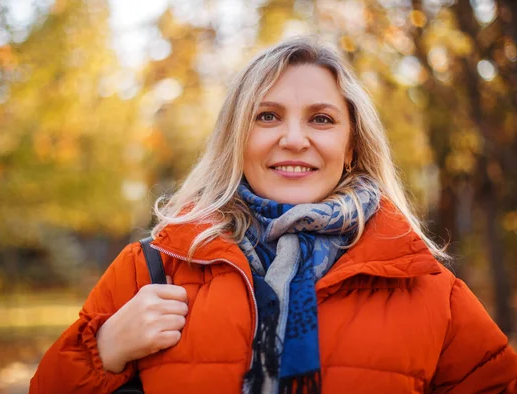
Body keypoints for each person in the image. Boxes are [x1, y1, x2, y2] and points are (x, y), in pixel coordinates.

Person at [29, 36, 517, 394]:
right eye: (268, 116)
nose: (294, 139)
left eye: (321, 119)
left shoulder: (426, 287)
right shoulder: (153, 267)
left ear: (351, 146)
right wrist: (107, 349)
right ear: (237, 140)